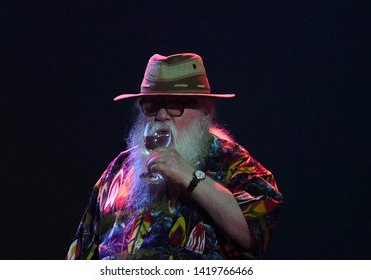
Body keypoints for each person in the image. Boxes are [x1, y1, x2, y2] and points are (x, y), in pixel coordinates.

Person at [66, 53, 283, 260]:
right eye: (152, 106)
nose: (161, 115)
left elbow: (252, 235)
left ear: (205, 114)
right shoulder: (118, 171)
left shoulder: (234, 165)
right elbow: (81, 253)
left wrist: (189, 176)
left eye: (174, 106)